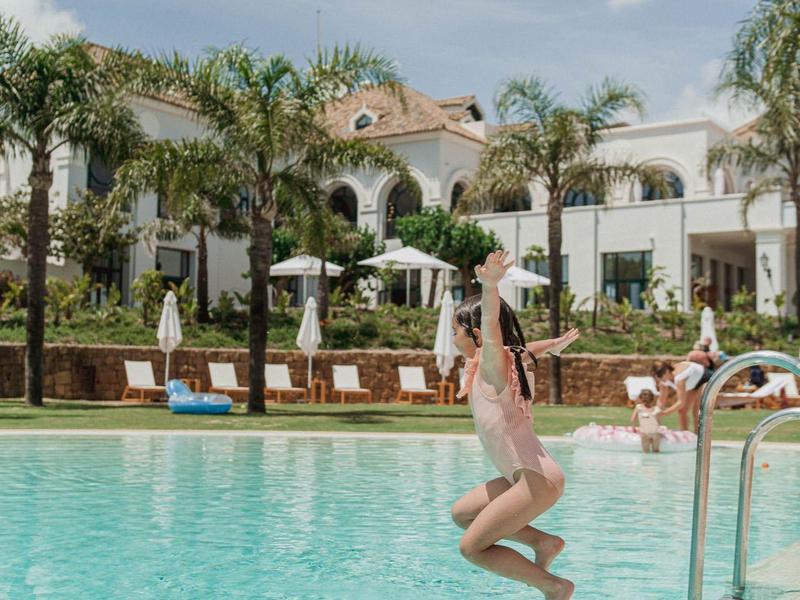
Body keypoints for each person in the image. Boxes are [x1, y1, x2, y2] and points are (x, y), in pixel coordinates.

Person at [449, 250, 578, 600]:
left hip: (535, 479)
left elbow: (492, 330)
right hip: (521, 475)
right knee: (463, 513)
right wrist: (553, 344)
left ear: (474, 334)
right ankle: (544, 542)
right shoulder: (495, 364)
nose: (452, 337)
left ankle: (555, 587)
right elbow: (523, 348)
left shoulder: (493, 365)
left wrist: (490, 286)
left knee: (472, 547)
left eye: (455, 330)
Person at [652, 359, 710, 432]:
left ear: (666, 371)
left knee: (697, 411)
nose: (660, 380)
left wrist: (664, 413)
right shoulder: (663, 379)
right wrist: (656, 412)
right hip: (693, 384)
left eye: (660, 377)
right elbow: (661, 399)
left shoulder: (679, 378)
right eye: (657, 377)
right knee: (682, 411)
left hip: (705, 379)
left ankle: (699, 438)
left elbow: (680, 403)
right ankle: (685, 434)